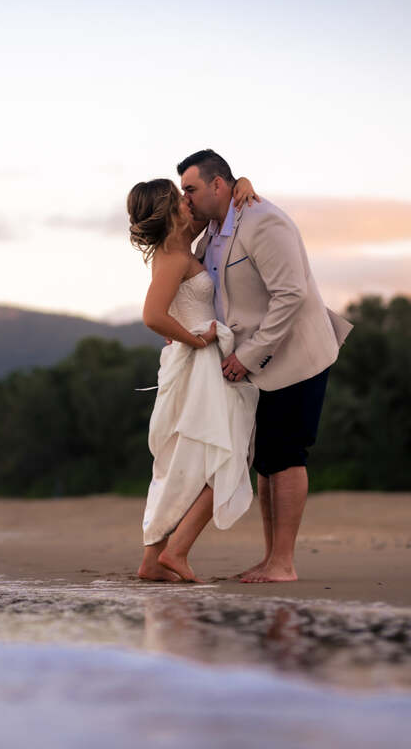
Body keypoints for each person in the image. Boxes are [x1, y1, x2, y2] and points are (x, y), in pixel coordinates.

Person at [178, 149, 352, 583]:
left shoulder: (263, 221)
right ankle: (272, 558)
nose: (187, 198)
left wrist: (249, 357)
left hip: (296, 354)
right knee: (267, 460)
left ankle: (284, 563)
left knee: (288, 455)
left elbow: (290, 294)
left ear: (218, 184)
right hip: (255, 362)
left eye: (191, 189)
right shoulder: (216, 227)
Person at [129, 176, 261, 583]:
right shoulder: (172, 255)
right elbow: (153, 315)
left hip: (198, 363)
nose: (190, 202)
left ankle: (154, 560)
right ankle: (177, 551)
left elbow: (217, 207)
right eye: (181, 198)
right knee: (225, 455)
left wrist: (240, 182)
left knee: (185, 462)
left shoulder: (183, 243)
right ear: (170, 211)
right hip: (197, 364)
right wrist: (197, 339)